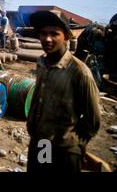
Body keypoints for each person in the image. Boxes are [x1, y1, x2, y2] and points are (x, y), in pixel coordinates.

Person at [26, 10, 101, 172]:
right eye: (44, 33)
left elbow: (93, 120)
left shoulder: (79, 71)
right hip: (42, 144)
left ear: (66, 37)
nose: (47, 39)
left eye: (54, 34)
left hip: (65, 152)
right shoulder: (41, 63)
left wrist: (74, 145)